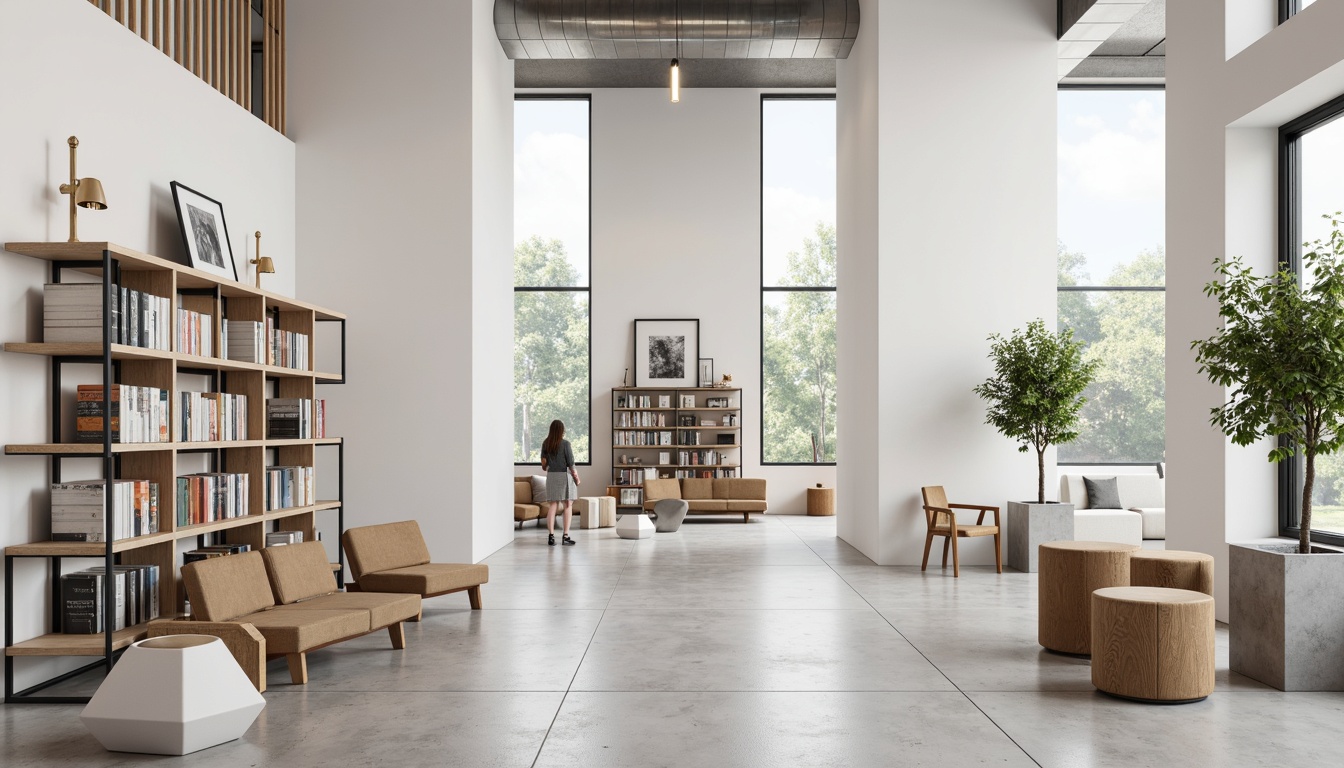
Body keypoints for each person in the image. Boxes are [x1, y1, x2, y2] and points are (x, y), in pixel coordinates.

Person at [539, 419, 580, 546]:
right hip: (564, 476)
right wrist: (577, 478)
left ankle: (551, 537)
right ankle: (565, 536)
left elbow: (543, 464)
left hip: (551, 476)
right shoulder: (566, 444)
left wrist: (548, 466)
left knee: (553, 505)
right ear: (562, 430)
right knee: (568, 504)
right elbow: (571, 464)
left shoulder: (546, 443)